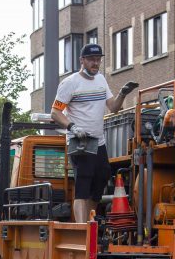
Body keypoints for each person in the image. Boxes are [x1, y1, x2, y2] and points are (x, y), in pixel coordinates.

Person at [50, 43, 138, 222]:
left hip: (98, 141)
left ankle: (89, 222)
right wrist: (72, 127)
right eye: (91, 60)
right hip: (79, 141)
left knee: (102, 176)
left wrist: (123, 93)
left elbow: (113, 107)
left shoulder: (101, 80)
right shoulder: (70, 83)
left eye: (98, 60)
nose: (95, 63)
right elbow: (55, 112)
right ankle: (82, 228)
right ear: (82, 60)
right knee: (83, 184)